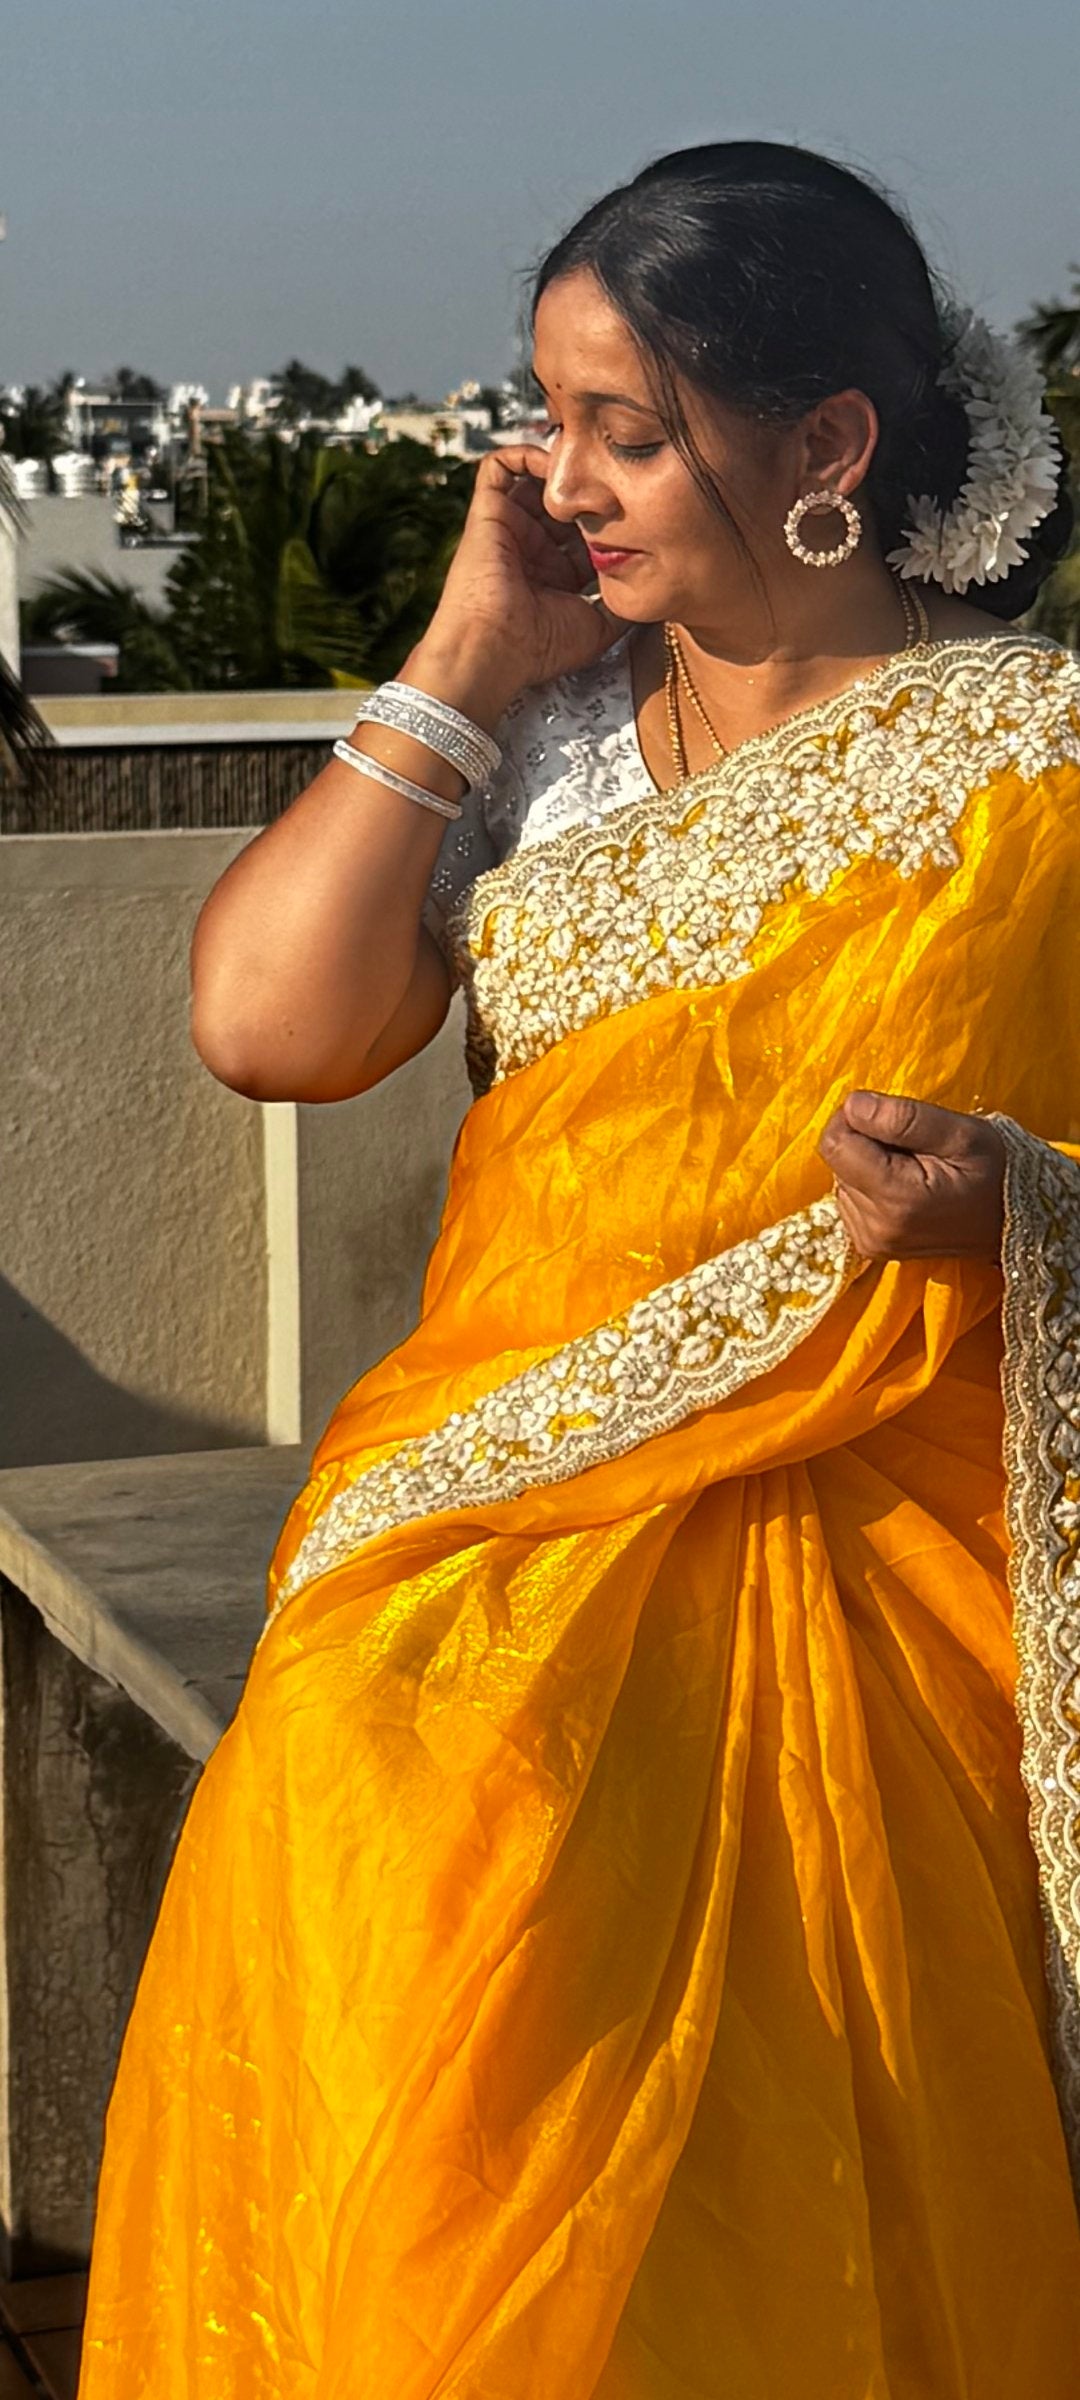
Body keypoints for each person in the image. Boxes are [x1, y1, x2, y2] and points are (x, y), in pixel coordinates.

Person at [77, 141, 1080, 2399]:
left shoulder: (1035, 763)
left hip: (886, 1518)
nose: (559, 481)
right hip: (515, 1502)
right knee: (369, 1791)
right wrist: (463, 654)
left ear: (827, 447)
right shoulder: (543, 754)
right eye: (546, 420)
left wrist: (1014, 1211)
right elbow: (270, 1028)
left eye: (624, 432)